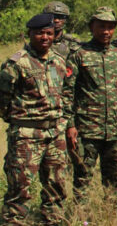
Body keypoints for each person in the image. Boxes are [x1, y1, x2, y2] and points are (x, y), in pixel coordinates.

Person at [0, 14, 71, 225]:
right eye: (40, 33)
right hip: (26, 137)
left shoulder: (58, 60)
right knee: (20, 188)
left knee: (56, 187)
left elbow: (64, 94)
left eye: (49, 33)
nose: (45, 37)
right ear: (29, 34)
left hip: (55, 134)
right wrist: (21, 120)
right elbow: (3, 101)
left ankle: (53, 220)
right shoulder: (16, 63)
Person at [65, 7, 117, 196]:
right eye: (101, 26)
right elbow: (67, 93)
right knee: (83, 177)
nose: (106, 31)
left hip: (114, 128)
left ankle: (112, 212)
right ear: (91, 27)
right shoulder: (79, 55)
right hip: (87, 128)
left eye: (110, 27)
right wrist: (70, 124)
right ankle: (82, 214)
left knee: (115, 179)